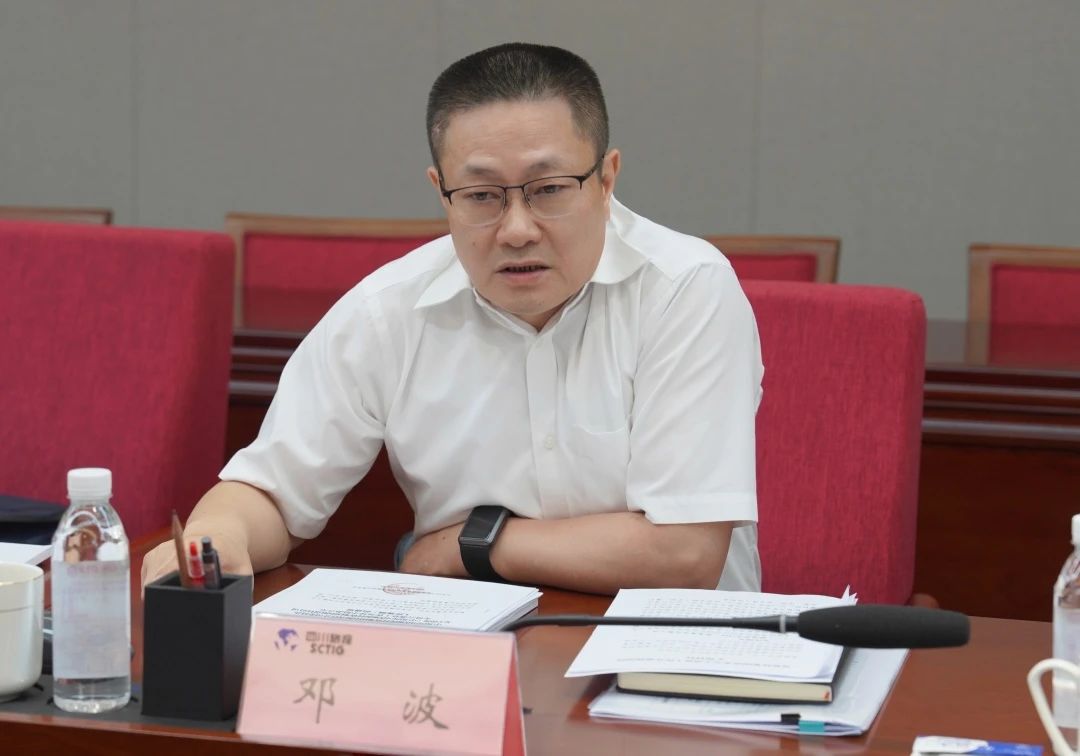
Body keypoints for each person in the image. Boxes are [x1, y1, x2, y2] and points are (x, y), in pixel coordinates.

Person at [141, 42, 764, 596]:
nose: (516, 230)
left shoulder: (685, 290)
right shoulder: (388, 312)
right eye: (482, 196)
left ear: (606, 180)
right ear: (441, 190)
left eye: (549, 189)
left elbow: (684, 555)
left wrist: (473, 546)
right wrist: (218, 535)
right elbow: (272, 492)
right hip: (469, 653)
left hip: (668, 657)